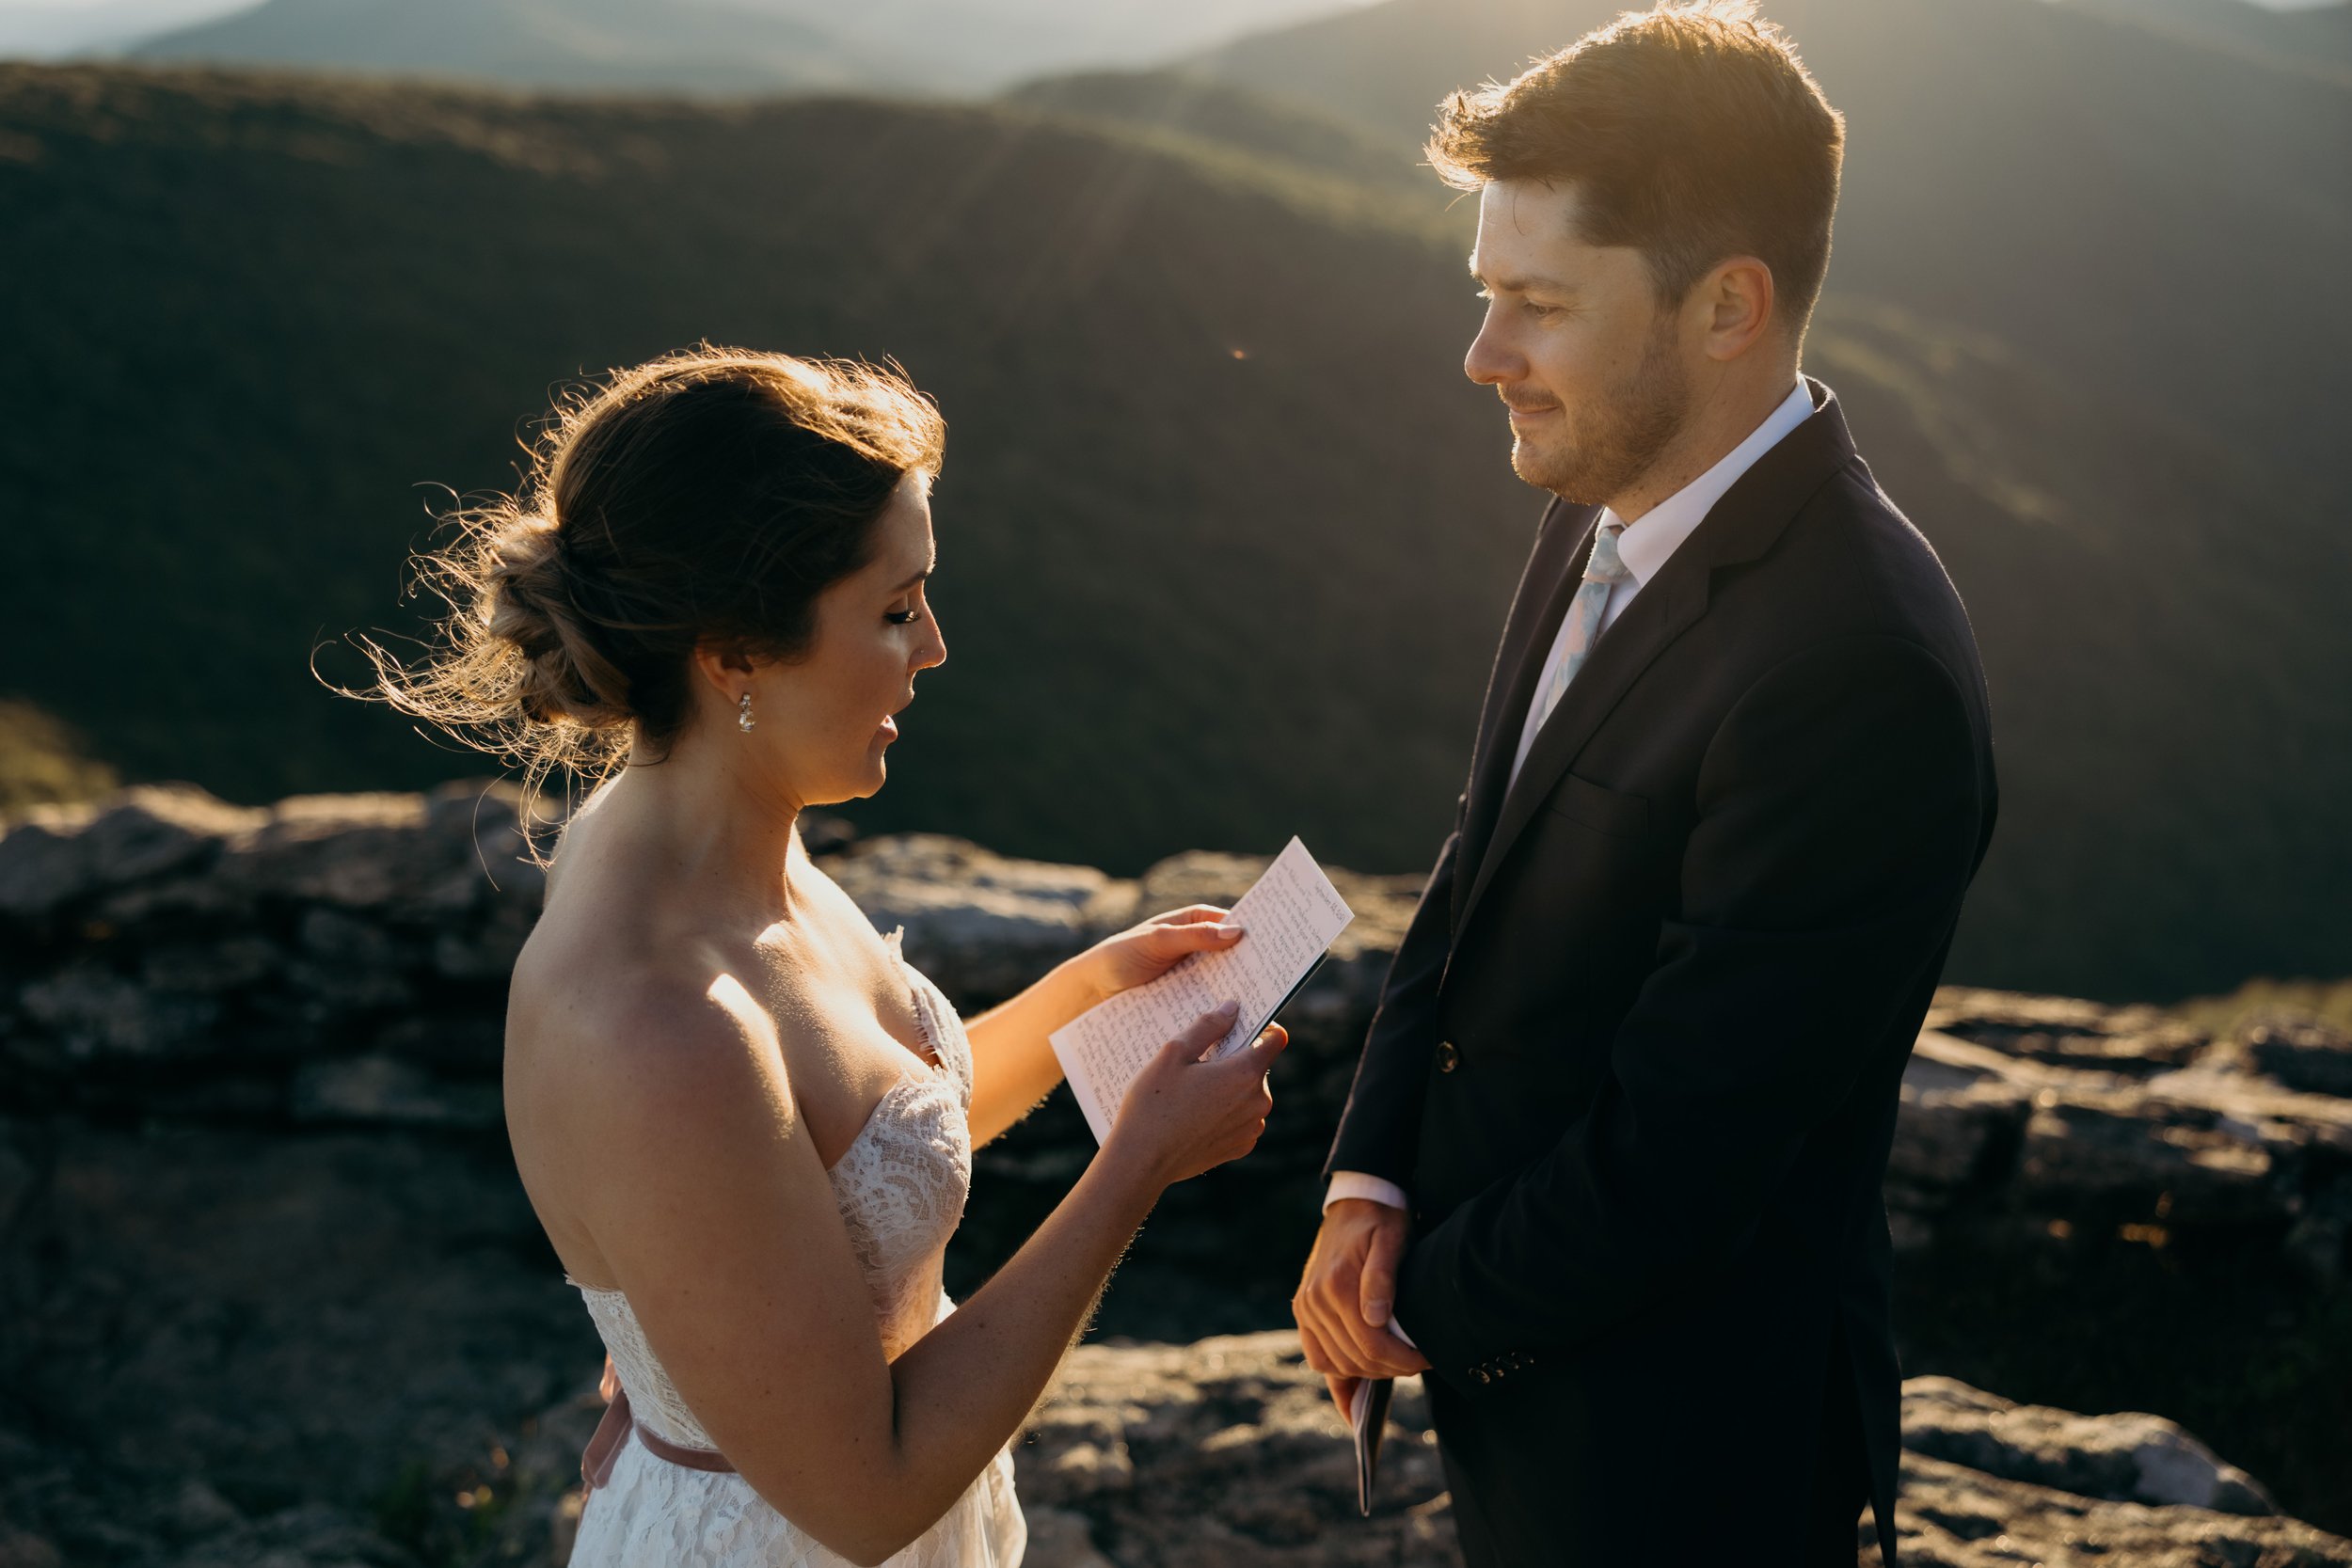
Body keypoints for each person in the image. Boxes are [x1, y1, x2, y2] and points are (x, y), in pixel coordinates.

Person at [359, 347, 1286, 1567]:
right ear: (735, 651)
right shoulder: (659, 1014)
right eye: (895, 608)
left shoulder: (728, 841)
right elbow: (862, 1493)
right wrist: (1135, 1174)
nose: (935, 646)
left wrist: (1085, 994)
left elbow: (860, 1143)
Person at [1290, 7, 1998, 1565]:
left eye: (1537, 305)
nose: (1483, 357)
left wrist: (1401, 1300)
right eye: (1488, 294)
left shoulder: (1853, 668)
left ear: (1730, 305)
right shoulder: (1611, 485)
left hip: (1682, 1461)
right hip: (1517, 1386)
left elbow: (1691, 1154)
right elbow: (1487, 859)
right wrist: (1371, 1177)